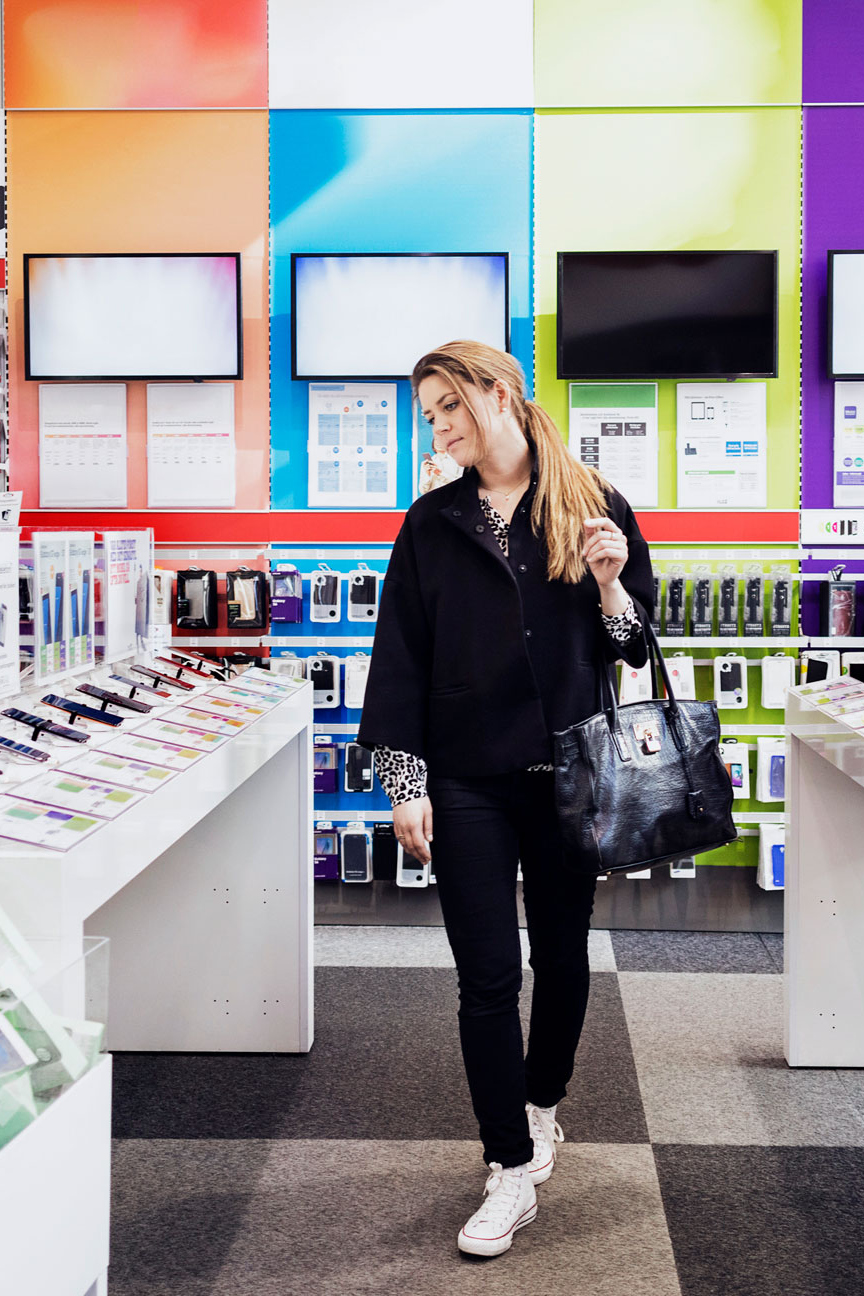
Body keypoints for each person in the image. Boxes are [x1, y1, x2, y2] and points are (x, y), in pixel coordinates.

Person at [357, 339, 653, 1258]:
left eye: (449, 407)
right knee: (485, 977)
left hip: (570, 776)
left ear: (497, 393)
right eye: (429, 416)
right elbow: (399, 657)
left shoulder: (592, 503)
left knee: (562, 959)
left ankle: (542, 1102)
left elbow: (635, 647)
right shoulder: (431, 522)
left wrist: (610, 584)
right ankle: (508, 1165)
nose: (439, 430)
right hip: (466, 779)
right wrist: (406, 783)